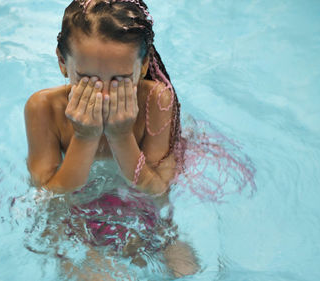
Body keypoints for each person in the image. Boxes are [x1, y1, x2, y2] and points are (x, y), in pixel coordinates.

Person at [24, 0, 199, 278]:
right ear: (61, 61)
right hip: (73, 217)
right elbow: (50, 196)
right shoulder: (44, 109)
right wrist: (85, 136)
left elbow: (158, 193)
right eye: (87, 79)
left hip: (141, 209)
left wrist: (120, 137)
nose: (104, 94)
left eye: (119, 80)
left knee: (188, 271)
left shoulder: (156, 100)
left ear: (142, 67)